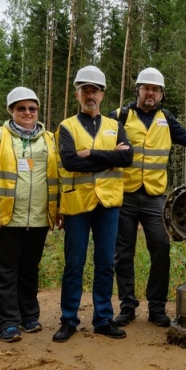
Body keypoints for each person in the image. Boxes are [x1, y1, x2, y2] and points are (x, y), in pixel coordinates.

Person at [111, 67, 186, 328]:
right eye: (146, 88)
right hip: (124, 195)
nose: (150, 93)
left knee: (161, 248)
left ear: (161, 94)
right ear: (137, 90)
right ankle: (127, 307)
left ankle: (157, 308)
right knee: (123, 253)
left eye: (155, 89)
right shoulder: (120, 117)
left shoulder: (166, 118)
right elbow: (103, 144)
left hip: (154, 196)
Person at [0, 87, 63, 343]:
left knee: (29, 269)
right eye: (21, 108)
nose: (27, 113)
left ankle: (29, 316)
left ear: (38, 111)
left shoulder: (48, 138)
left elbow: (56, 176)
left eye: (32, 109)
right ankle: (6, 322)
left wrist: (57, 211)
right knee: (4, 271)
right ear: (11, 110)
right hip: (4, 218)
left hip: (37, 218)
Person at [53, 65, 133, 343]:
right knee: (74, 264)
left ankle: (102, 319)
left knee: (104, 264)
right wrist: (109, 155)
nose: (90, 95)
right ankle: (68, 320)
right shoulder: (66, 127)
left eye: (95, 90)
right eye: (85, 89)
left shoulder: (115, 126)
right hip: (77, 205)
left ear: (102, 95)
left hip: (108, 204)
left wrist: (91, 153)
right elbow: (70, 162)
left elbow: (127, 159)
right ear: (77, 94)